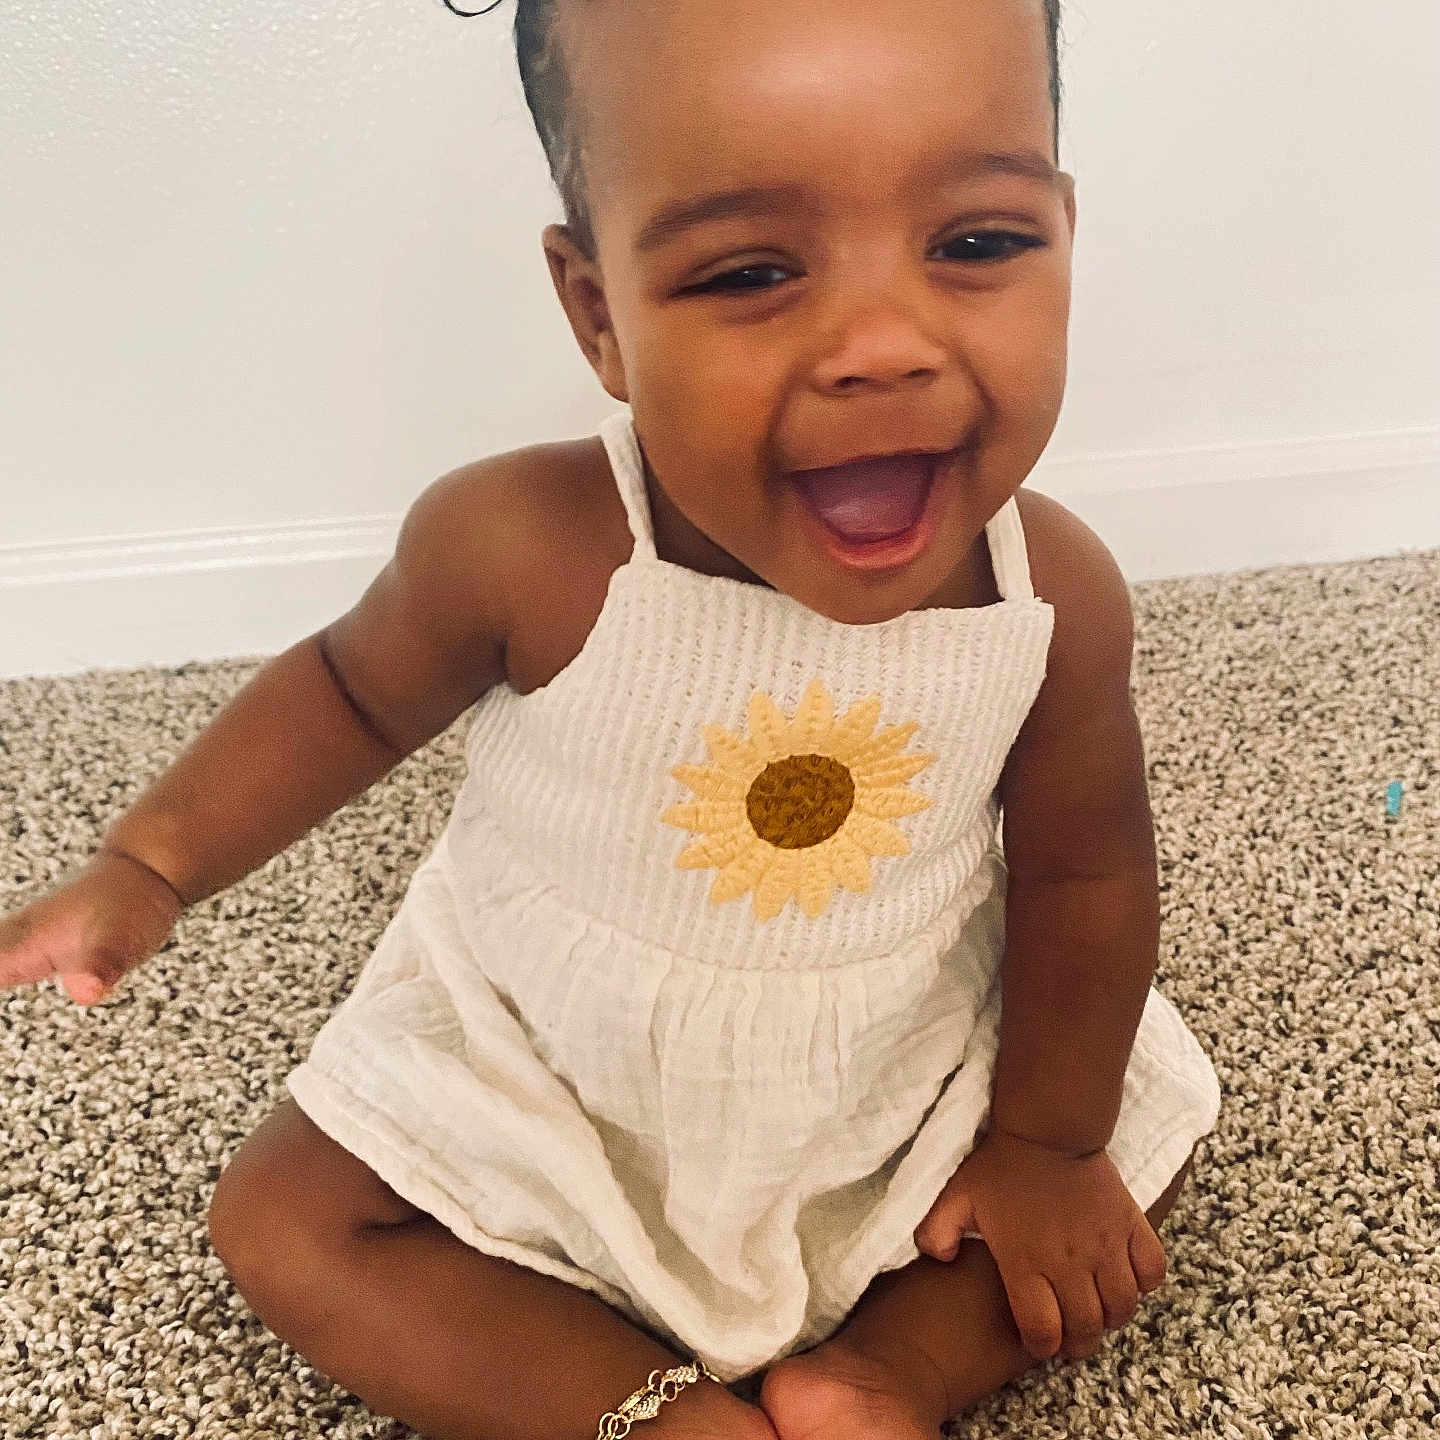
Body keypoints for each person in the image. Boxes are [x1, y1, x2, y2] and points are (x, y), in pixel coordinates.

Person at [0, 0, 1223, 1436]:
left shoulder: (1051, 595)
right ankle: (647, 1412)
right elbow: (343, 692)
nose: (882, 346)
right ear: (600, 316)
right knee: (281, 1221)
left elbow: (1085, 873)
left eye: (977, 243)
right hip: (554, 1055)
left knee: (1140, 1136)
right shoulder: (525, 547)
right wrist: (151, 864)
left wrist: (1043, 1142)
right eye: (755, 270)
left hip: (892, 1048)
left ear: (1063, 237)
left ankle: (882, 1376)